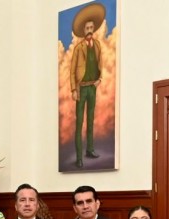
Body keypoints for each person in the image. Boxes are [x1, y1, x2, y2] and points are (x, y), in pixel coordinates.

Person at [70, 3, 105, 169]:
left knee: (91, 120)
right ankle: (79, 157)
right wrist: (73, 89)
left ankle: (90, 150)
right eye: (87, 28)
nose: (90, 30)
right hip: (81, 88)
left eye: (91, 27)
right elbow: (72, 71)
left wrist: (100, 79)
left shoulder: (97, 45)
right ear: (83, 31)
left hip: (92, 88)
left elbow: (101, 64)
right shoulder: (78, 48)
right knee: (79, 123)